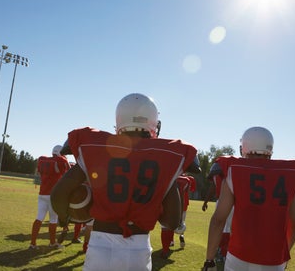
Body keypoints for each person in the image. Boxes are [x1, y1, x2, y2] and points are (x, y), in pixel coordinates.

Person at [51, 93, 201, 271]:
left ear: (119, 120)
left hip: (100, 245)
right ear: (153, 122)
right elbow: (172, 221)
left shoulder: (96, 146)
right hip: (137, 249)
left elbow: (58, 195)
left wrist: (65, 217)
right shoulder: (168, 154)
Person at [202, 127, 295, 271]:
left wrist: (209, 260)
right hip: (274, 260)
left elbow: (218, 220)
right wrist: (283, 257)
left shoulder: (234, 169)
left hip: (238, 257)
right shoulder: (293, 173)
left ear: (244, 147)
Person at [29, 145, 71, 249]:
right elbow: (68, 171)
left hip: (42, 194)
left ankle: (32, 243)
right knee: (53, 219)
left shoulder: (43, 161)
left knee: (39, 218)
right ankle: (52, 243)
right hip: (53, 196)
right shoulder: (61, 161)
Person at [160, 173, 196, 259]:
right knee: (177, 224)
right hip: (182, 206)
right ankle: (178, 237)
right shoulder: (187, 180)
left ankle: (166, 249)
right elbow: (184, 196)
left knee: (165, 227)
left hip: (167, 204)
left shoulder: (166, 175)